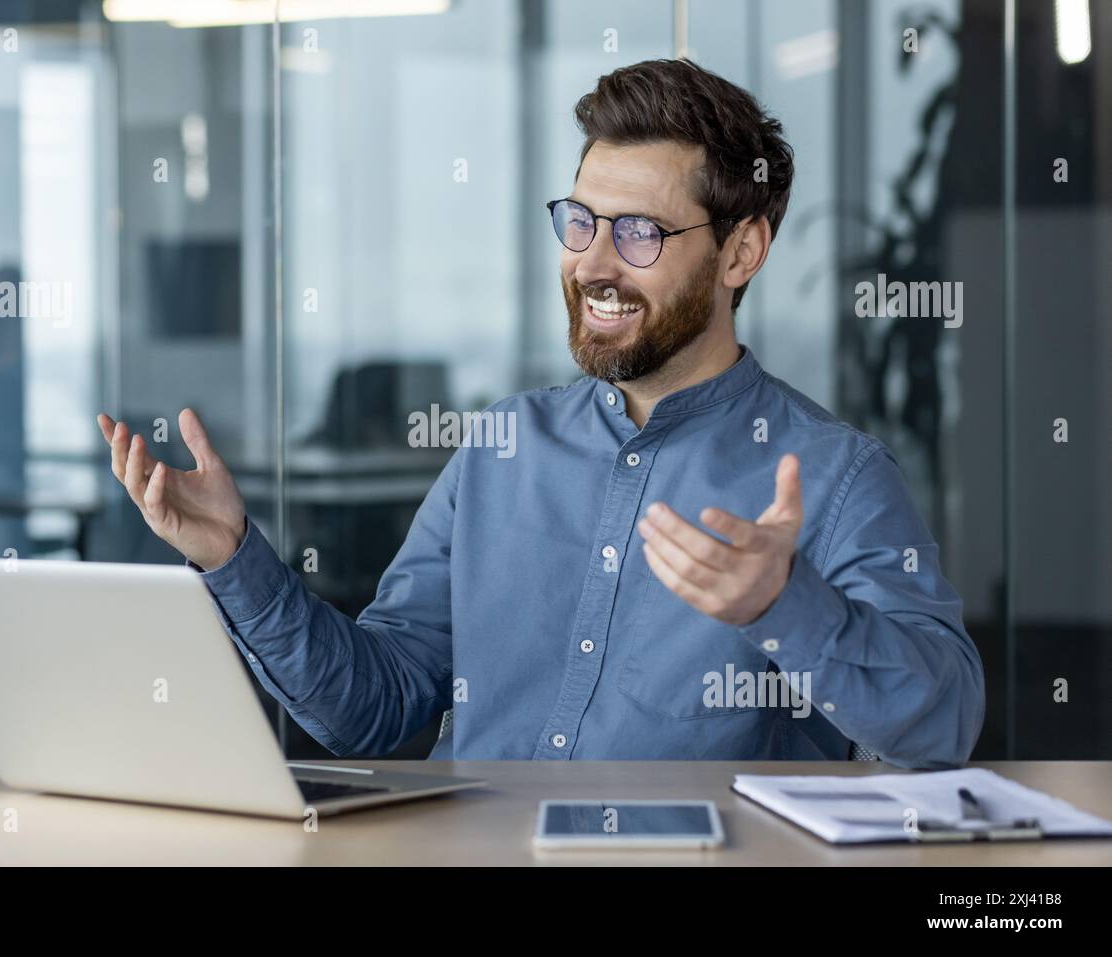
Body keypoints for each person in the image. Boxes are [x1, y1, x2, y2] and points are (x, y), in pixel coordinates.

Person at [97, 58, 984, 768]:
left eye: (639, 233)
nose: (595, 264)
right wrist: (233, 558)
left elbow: (942, 724)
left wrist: (788, 605)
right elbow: (370, 708)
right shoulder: (498, 447)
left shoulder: (831, 475)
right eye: (580, 222)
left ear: (741, 251)